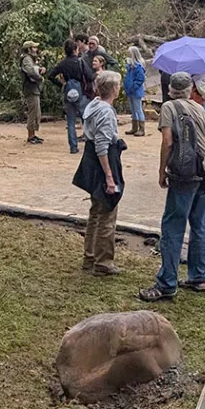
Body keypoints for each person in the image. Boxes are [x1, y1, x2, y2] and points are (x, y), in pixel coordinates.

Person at [139, 72, 205, 302]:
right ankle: (198, 276)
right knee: (199, 225)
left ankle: (167, 282)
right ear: (190, 88)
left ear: (171, 89)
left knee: (172, 226)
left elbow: (168, 141)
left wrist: (162, 171)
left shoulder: (169, 108)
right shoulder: (199, 108)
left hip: (183, 175)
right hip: (202, 170)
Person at [76, 71, 124, 276]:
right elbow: (102, 146)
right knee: (107, 211)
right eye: (118, 85)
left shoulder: (93, 105)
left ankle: (90, 256)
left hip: (91, 160)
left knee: (96, 211)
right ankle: (103, 261)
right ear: (113, 89)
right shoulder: (105, 112)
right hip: (102, 162)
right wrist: (109, 176)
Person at [50, 39, 94, 154]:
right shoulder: (80, 62)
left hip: (68, 92)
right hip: (80, 92)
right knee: (86, 117)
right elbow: (90, 76)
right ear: (76, 50)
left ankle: (73, 147)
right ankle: (90, 143)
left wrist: (62, 85)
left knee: (71, 121)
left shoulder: (62, 63)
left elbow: (51, 76)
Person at [20, 41, 45, 144]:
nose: (36, 49)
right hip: (30, 88)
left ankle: (33, 134)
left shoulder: (31, 59)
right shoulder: (26, 59)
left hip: (34, 88)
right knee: (33, 112)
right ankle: (30, 136)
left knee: (36, 112)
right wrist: (40, 77)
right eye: (34, 48)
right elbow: (30, 71)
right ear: (29, 49)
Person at [124, 45, 147, 137]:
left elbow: (140, 79)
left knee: (138, 110)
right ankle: (134, 127)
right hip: (129, 91)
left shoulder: (138, 67)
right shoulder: (129, 66)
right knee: (133, 110)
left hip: (136, 91)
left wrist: (133, 87)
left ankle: (142, 128)